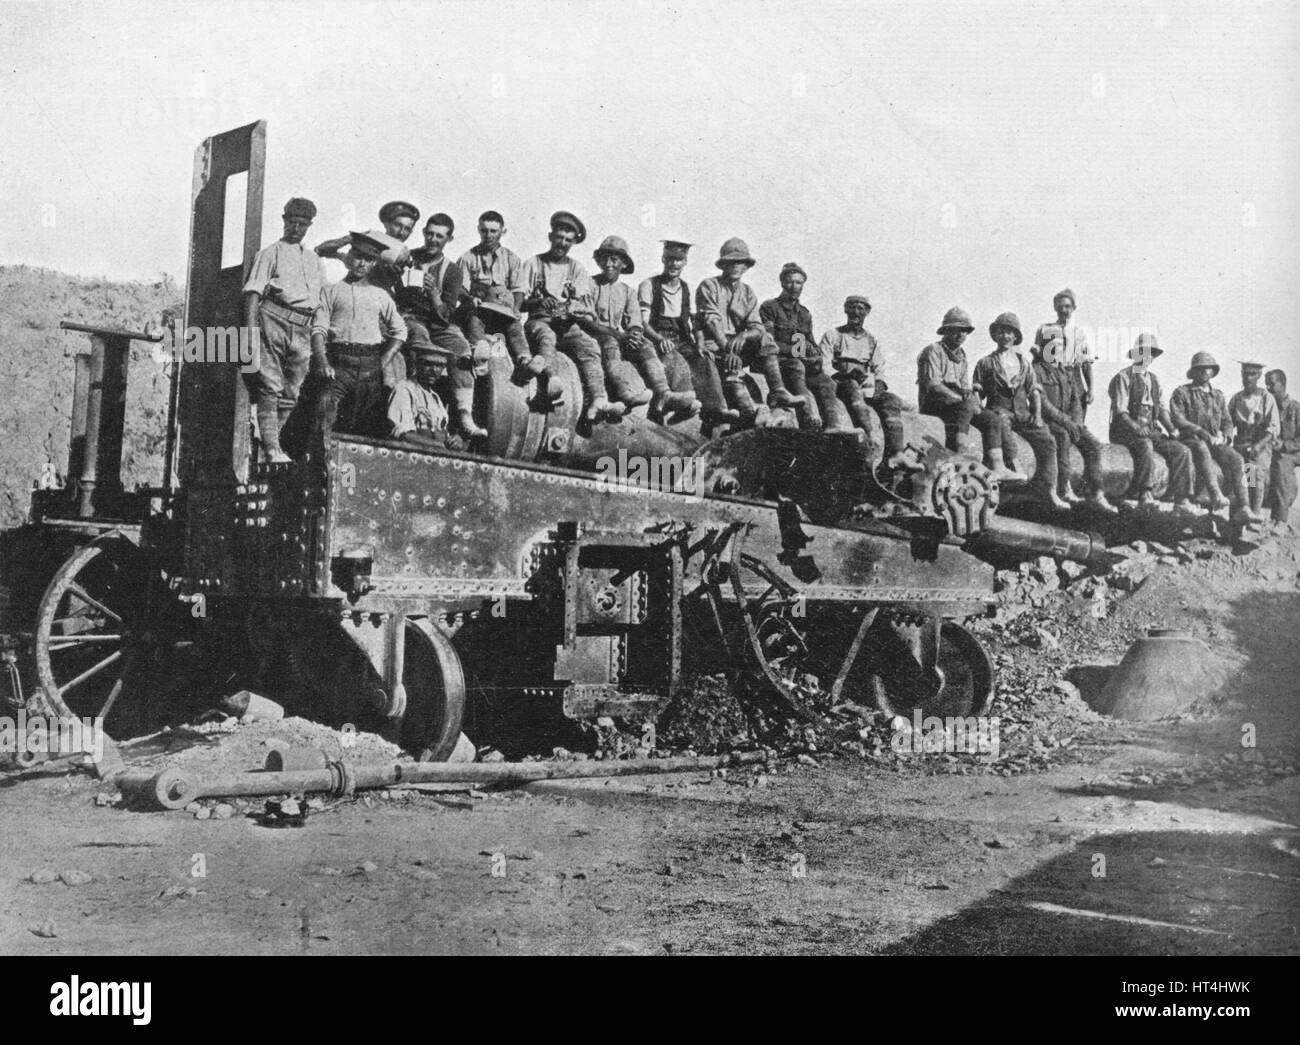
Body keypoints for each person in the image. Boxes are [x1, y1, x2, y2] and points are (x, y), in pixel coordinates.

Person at [241, 197, 324, 463]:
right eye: (292, 222)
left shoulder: (314, 260)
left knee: (292, 390)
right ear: (284, 220)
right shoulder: (270, 252)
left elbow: (321, 300)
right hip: (273, 319)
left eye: (302, 224)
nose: (296, 228)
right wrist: (250, 333)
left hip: (303, 327)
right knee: (270, 385)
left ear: (309, 225)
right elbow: (253, 292)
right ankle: (272, 448)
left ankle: (270, 441)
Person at [520, 211, 622, 422]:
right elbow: (519, 303)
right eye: (559, 237)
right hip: (539, 321)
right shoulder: (533, 264)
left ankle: (598, 399)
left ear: (573, 242)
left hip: (566, 325)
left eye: (568, 240)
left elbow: (583, 304)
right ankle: (551, 381)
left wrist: (570, 308)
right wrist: (538, 302)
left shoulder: (577, 269)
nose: (562, 243)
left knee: (589, 345)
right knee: (546, 337)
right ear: (551, 237)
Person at [396, 213, 486, 439]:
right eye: (430, 234)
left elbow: (446, 316)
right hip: (411, 317)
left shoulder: (451, 270)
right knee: (420, 341)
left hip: (438, 320)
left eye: (440, 236)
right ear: (424, 233)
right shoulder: (409, 257)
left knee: (461, 350)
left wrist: (434, 293)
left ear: (449, 239)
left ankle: (465, 416)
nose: (433, 240)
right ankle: (416, 411)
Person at [309, 232, 407, 439]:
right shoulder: (331, 290)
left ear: (375, 263)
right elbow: (319, 328)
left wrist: (382, 362)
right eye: (358, 256)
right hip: (339, 364)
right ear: (348, 258)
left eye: (370, 259)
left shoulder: (381, 295)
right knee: (324, 412)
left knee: (367, 424)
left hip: (370, 366)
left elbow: (400, 331)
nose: (362, 263)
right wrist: (322, 361)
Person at [695, 238, 799, 427]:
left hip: (738, 345)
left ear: (746, 266)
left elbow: (756, 326)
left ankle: (777, 391)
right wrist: (728, 350)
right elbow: (712, 320)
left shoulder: (747, 292)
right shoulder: (709, 286)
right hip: (716, 346)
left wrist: (743, 336)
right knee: (732, 377)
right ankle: (752, 411)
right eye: (730, 262)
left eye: (740, 262)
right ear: (723, 265)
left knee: (765, 338)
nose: (735, 267)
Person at [972, 312, 1069, 507]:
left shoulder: (1024, 362)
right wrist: (980, 411)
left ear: (1015, 337)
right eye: (1001, 332)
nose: (1005, 337)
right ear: (995, 335)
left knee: (1048, 441)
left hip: (1023, 413)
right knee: (1002, 428)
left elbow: (1034, 391)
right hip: (1000, 410)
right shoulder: (985, 363)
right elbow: (977, 391)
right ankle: (1012, 469)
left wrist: (1037, 415)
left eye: (1010, 333)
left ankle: (1049, 490)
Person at [918, 306, 1024, 479]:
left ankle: (998, 466)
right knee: (966, 406)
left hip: (957, 404)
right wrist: (961, 399)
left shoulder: (962, 355)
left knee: (991, 417)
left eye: (965, 331)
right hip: (935, 402)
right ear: (946, 330)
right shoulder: (933, 351)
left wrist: (970, 398)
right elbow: (933, 385)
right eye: (956, 330)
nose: (961, 335)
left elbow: (965, 386)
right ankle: (959, 455)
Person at [818, 295, 909, 464]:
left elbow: (879, 367)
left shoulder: (871, 340)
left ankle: (897, 452)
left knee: (891, 400)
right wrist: (845, 375)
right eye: (852, 307)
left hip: (864, 385)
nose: (856, 312)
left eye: (860, 308)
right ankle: (869, 435)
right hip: (841, 382)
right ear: (845, 310)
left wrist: (879, 384)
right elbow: (824, 364)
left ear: (867, 312)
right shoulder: (833, 335)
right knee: (852, 387)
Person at [1030, 334, 1117, 512]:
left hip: (1070, 422)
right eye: (1051, 347)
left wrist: (1076, 422)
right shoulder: (1036, 370)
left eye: (1061, 348)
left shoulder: (1066, 372)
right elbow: (1044, 404)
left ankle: (1096, 492)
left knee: (1093, 444)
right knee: (1062, 438)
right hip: (1051, 422)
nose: (1056, 351)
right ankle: (1063, 487)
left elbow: (1076, 401)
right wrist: (1067, 422)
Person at [1107, 334, 1192, 506]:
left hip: (1151, 430)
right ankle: (1144, 492)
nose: (1147, 357)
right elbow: (1120, 412)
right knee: (1145, 445)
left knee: (1181, 450)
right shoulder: (1124, 377)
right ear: (1136, 354)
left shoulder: (1154, 380)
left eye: (1151, 353)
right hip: (1126, 432)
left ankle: (1181, 497)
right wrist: (1135, 427)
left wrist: (1171, 429)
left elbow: (1160, 410)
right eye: (1144, 352)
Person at [1170, 351, 1255, 520]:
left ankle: (1245, 507)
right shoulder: (1182, 392)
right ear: (1193, 371)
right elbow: (1178, 418)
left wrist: (1227, 437)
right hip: (1191, 439)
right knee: (1202, 449)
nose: (1205, 372)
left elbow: (1227, 421)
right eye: (1201, 369)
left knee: (1238, 459)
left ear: (1213, 372)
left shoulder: (1218, 396)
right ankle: (1215, 494)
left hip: (1216, 441)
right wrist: (1200, 432)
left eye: (1209, 368)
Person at [578, 235, 654, 411]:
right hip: (593, 335)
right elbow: (586, 321)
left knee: (645, 344)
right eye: (604, 259)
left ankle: (661, 391)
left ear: (624, 264)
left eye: (614, 259)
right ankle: (625, 391)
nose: (608, 264)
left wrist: (634, 334)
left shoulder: (627, 291)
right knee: (610, 343)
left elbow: (635, 319)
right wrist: (619, 335)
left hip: (617, 336)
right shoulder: (589, 284)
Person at [636, 240, 708, 422]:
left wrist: (699, 344)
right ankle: (676, 401)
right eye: (670, 258)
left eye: (679, 260)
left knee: (704, 361)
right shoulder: (649, 285)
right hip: (656, 336)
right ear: (663, 259)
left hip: (681, 338)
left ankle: (714, 408)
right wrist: (659, 339)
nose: (674, 264)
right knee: (673, 357)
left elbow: (695, 321)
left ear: (685, 262)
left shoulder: (685, 288)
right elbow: (643, 322)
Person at [455, 210, 530, 372]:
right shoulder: (468, 258)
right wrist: (469, 298)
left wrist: (516, 308)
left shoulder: (512, 259)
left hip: (503, 309)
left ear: (503, 232)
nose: (488, 235)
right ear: (478, 230)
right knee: (475, 320)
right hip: (479, 307)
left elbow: (518, 289)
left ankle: (524, 360)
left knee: (515, 327)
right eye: (484, 230)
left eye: (493, 231)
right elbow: (460, 287)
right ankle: (479, 354)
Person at [759, 262, 830, 429]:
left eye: (799, 283)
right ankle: (808, 418)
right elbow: (768, 341)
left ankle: (831, 426)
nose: (794, 286)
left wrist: (815, 354)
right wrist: (794, 351)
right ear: (782, 283)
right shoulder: (769, 307)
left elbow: (810, 342)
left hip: (800, 360)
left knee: (826, 381)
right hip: (778, 361)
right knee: (796, 365)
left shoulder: (804, 313)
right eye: (790, 282)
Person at [1227, 360, 1280, 522]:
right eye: (1245, 374)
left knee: (1254, 472)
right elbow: (1228, 421)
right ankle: (1238, 516)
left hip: (1260, 444)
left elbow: (1273, 427)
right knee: (1238, 473)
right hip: (1242, 442)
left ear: (1258, 376)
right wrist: (1228, 436)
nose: (1248, 378)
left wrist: (1258, 446)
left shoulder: (1266, 398)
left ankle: (1256, 513)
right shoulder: (1237, 398)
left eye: (1252, 374)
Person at [388, 341, 464, 451]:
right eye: (428, 364)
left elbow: (441, 432)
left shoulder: (435, 397)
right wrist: (444, 447)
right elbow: (404, 435)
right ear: (417, 365)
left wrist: (455, 440)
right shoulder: (404, 389)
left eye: (439, 366)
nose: (434, 370)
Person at [1033, 288, 1093, 420]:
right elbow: (1036, 360)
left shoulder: (1079, 332)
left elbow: (1086, 363)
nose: (1064, 310)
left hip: (1074, 376)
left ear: (1073, 308)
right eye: (1060, 306)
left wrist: (1090, 389)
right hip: (1052, 378)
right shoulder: (1045, 329)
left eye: (1067, 306)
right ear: (1055, 307)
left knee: (1077, 421)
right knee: (1055, 419)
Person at [1266, 368, 1299, 525]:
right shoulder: (1266, 408)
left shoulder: (1296, 409)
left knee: (1282, 464)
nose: (1269, 388)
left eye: (1272, 384)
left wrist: (1284, 445)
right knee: (1248, 466)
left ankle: (1280, 519)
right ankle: (1247, 511)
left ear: (1283, 384)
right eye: (1267, 385)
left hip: (1292, 453)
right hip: (1268, 451)